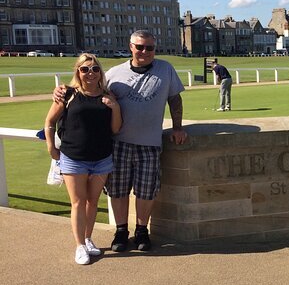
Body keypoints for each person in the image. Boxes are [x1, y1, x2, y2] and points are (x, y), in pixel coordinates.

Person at [54, 30, 188, 252]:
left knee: (146, 190)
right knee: (118, 190)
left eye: (150, 48)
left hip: (150, 143)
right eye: (140, 47)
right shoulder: (115, 73)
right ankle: (121, 230)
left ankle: (142, 230)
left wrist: (177, 127)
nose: (144, 51)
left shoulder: (166, 69)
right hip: (118, 144)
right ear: (131, 47)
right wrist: (61, 91)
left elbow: (175, 99)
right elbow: (89, 88)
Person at [44, 54, 122, 264]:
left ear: (100, 73)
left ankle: (88, 239)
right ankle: (79, 246)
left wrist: (114, 107)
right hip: (74, 158)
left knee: (92, 201)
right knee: (78, 202)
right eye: (85, 69)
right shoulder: (67, 94)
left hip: (102, 158)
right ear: (78, 72)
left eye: (95, 69)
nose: (90, 73)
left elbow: (115, 129)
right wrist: (51, 147)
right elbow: (50, 122)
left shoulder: (108, 95)